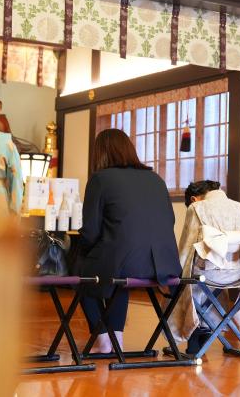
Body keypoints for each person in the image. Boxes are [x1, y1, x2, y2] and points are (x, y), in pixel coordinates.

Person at [77, 129, 181, 353]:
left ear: (100, 153)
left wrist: (83, 251)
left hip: (125, 263)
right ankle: (116, 338)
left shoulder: (100, 179)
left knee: (81, 272)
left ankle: (104, 340)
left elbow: (90, 232)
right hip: (164, 265)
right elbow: (170, 220)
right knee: (117, 274)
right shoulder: (156, 179)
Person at [169, 180, 240, 353]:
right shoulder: (237, 207)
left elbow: (186, 246)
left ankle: (193, 334)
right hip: (235, 274)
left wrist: (175, 272)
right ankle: (209, 330)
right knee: (214, 290)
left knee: (186, 284)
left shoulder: (197, 207)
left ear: (194, 199)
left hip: (206, 274)